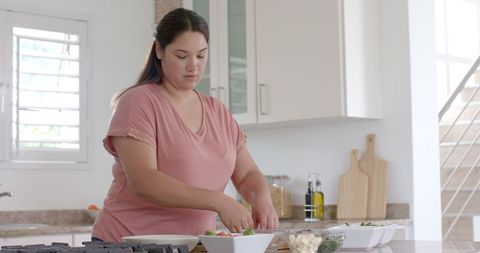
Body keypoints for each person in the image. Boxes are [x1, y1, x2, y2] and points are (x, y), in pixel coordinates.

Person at [91, 8, 278, 242]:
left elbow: (247, 172)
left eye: (201, 55)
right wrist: (219, 201)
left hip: (192, 245)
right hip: (127, 243)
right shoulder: (138, 102)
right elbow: (144, 181)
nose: (194, 66)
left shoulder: (218, 111)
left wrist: (261, 198)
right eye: (182, 56)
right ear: (159, 50)